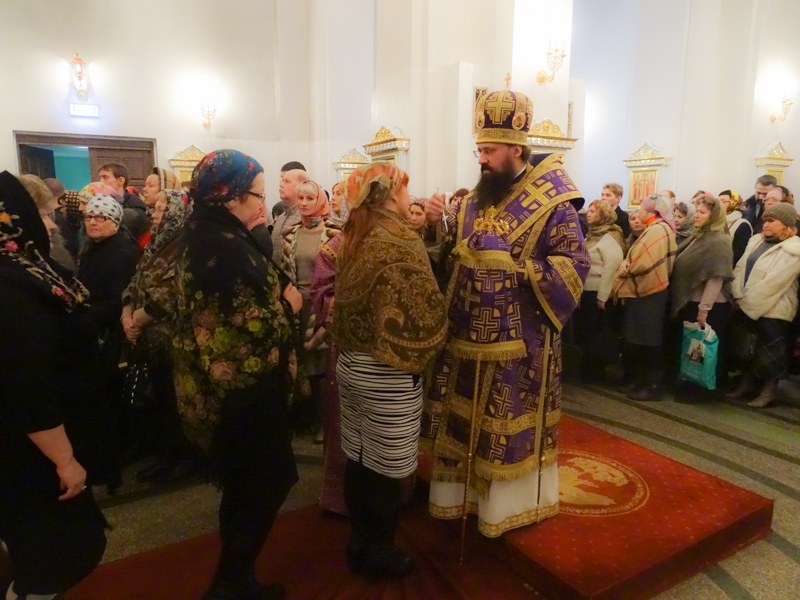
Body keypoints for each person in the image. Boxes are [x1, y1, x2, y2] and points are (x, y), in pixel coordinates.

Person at [421, 86, 590, 538]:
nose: (481, 159)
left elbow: (574, 266)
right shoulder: (474, 199)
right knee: (464, 417)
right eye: (479, 150)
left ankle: (503, 509)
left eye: (489, 150)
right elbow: (453, 254)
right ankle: (461, 499)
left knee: (503, 422)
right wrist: (437, 225)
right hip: (466, 334)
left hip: (521, 343)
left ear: (516, 148)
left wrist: (516, 269)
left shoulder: (555, 202)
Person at [171, 149, 302, 600]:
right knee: (265, 485)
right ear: (229, 196)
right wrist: (288, 305)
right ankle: (231, 583)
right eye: (258, 196)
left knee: (244, 488)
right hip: (244, 397)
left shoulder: (205, 231)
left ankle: (237, 578)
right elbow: (247, 330)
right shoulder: (222, 247)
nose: (264, 205)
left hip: (224, 391)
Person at [332, 162, 446, 578]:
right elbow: (425, 309)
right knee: (386, 471)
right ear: (392, 193)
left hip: (351, 364)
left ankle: (359, 542)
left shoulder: (354, 232)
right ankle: (379, 552)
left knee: (360, 458)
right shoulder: (399, 238)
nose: (409, 197)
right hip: (388, 372)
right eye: (405, 189)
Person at [0, 172, 107, 600]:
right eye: (42, 215)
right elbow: (27, 387)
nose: (51, 224)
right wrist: (65, 462)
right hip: (32, 455)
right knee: (50, 553)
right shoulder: (11, 287)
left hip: (32, 441)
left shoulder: (24, 269)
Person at [121, 190, 193, 483]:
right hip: (147, 337)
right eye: (156, 208)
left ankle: (179, 459)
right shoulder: (155, 243)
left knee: (174, 402)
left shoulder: (184, 246)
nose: (154, 214)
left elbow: (172, 294)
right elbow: (135, 280)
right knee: (160, 400)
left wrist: (137, 319)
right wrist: (126, 312)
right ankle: (164, 453)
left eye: (162, 209)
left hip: (170, 339)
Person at [78, 194, 142, 488]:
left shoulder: (121, 252)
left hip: (114, 334)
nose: (93, 221)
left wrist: (85, 314)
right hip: (97, 330)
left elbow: (121, 299)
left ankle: (117, 452)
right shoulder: (93, 247)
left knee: (113, 394)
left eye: (101, 217)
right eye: (89, 216)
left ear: (115, 221)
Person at [280, 180, 340, 440]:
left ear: (320, 201)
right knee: (303, 363)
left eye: (309, 198)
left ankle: (328, 423)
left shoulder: (334, 234)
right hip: (296, 305)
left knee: (323, 363)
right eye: (301, 198)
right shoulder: (290, 234)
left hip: (323, 306)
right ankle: (309, 418)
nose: (303, 203)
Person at [728, 204, 800, 408]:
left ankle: (769, 391)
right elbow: (741, 267)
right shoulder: (756, 241)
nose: (765, 225)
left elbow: (775, 282)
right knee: (748, 349)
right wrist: (738, 293)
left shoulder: (794, 249)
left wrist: (747, 302)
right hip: (746, 303)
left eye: (771, 221)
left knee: (769, 354)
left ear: (786, 225)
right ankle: (746, 384)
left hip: (773, 309)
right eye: (765, 220)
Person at [612, 193, 677, 401]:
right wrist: (627, 262)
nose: (638, 211)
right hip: (646, 293)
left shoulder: (657, 229)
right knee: (639, 339)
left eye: (641, 207)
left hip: (651, 293)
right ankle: (641, 380)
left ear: (651, 211)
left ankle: (653, 386)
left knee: (649, 340)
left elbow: (644, 261)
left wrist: (625, 268)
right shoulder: (655, 228)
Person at [669, 195, 733, 401]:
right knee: (692, 347)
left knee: (702, 349)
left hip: (709, 305)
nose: (697, 215)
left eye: (702, 212)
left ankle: (701, 391)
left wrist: (704, 310)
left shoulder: (720, 241)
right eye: (696, 211)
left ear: (714, 216)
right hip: (693, 301)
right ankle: (689, 385)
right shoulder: (699, 235)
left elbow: (716, 278)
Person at [574, 200, 626, 381]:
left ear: (603, 216)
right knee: (585, 332)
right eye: (589, 211)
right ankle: (585, 369)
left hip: (596, 293)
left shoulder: (609, 239)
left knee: (595, 334)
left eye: (593, 212)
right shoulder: (591, 236)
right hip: (585, 291)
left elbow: (610, 270)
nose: (588, 214)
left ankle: (595, 372)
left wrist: (602, 298)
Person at [97, 163, 150, 240]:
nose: (101, 182)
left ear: (120, 181)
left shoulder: (136, 208)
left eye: (105, 177)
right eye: (100, 177)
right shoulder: (99, 203)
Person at [270, 168, 309, 262]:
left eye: (287, 181)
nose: (281, 184)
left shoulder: (306, 218)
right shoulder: (281, 218)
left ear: (301, 186)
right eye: (282, 180)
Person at [719, 190, 753, 265]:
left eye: (723, 201)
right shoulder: (718, 222)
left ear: (733, 203)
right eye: (718, 201)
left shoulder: (742, 225)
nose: (719, 204)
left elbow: (739, 255)